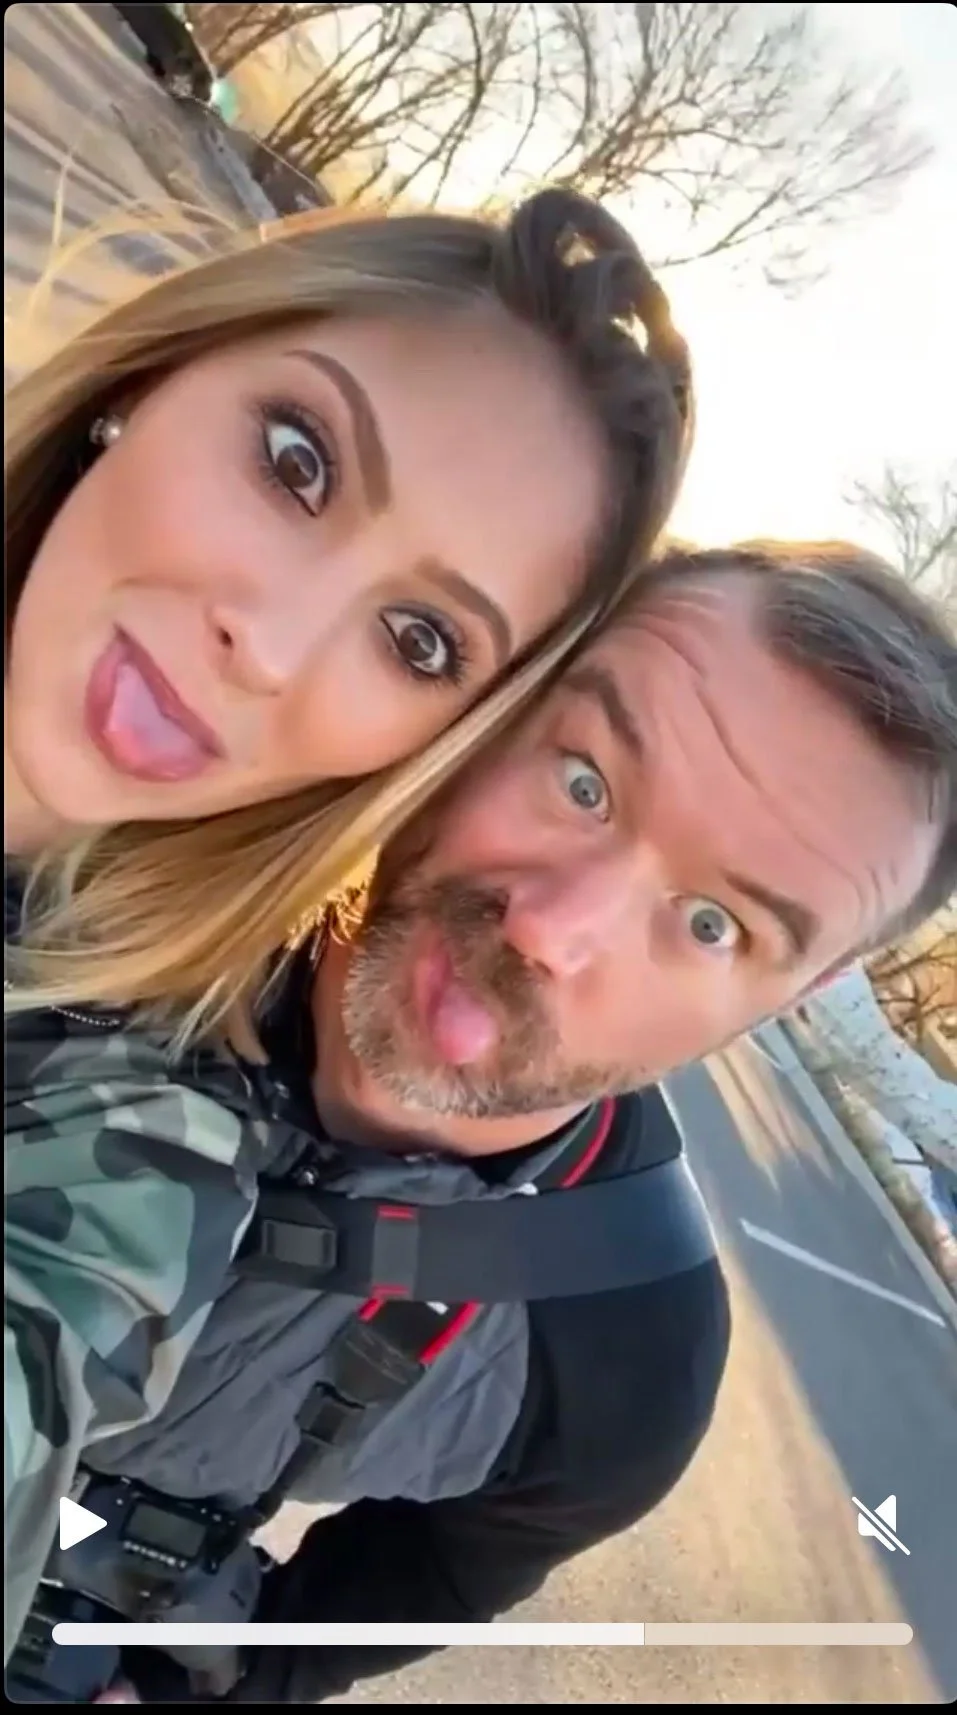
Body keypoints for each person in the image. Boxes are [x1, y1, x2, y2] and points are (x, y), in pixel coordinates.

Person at [6, 539, 955, 1700]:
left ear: (796, 995)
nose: (554, 929)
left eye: (712, 924)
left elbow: (416, 1583)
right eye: (586, 779)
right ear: (502, 702)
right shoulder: (93, 866)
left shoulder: (623, 1355)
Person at [5, 188, 692, 1050]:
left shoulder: (121, 1120)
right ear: (153, 376)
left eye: (419, 641)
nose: (270, 651)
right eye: (297, 465)